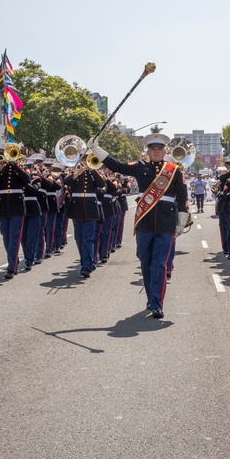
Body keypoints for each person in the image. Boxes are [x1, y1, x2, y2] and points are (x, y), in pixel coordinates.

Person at [91, 133, 188, 319]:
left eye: (160, 149)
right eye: (153, 149)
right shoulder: (140, 167)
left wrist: (182, 219)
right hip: (145, 221)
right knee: (146, 263)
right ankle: (152, 297)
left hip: (166, 222)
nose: (156, 152)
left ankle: (157, 303)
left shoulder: (174, 170)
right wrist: (96, 149)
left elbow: (182, 197)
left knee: (160, 264)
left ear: (165, 151)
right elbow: (116, 165)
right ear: (148, 151)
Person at [0, 149, 32, 279]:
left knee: (14, 237)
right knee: (6, 237)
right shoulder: (2, 170)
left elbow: (27, 179)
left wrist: (16, 166)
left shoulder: (18, 169)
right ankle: (14, 261)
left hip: (17, 206)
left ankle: (11, 267)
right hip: (4, 207)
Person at [63, 157, 106, 278]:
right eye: (84, 159)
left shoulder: (94, 174)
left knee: (88, 238)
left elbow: (102, 184)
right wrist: (78, 172)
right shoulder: (76, 173)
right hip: (77, 208)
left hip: (91, 209)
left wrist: (92, 170)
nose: (85, 162)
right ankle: (87, 260)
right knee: (79, 238)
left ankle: (86, 266)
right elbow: (66, 182)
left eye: (87, 159)